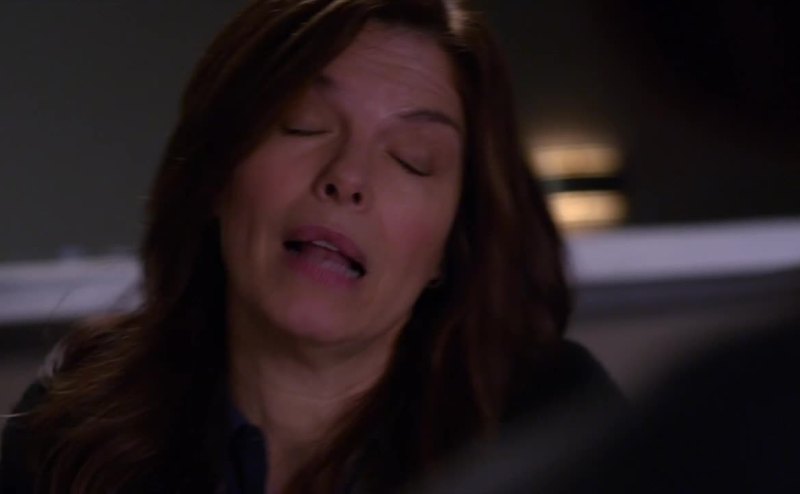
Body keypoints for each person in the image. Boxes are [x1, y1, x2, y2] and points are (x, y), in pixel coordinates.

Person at [0, 1, 623, 492]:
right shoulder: (76, 429)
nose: (348, 177)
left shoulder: (552, 425)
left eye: (412, 160)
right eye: (304, 123)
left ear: (450, 247)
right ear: (218, 172)